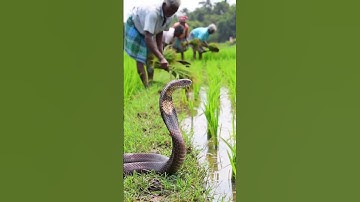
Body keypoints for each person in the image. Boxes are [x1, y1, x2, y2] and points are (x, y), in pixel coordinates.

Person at [124, 0, 181, 88]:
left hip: (148, 31)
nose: (171, 13)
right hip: (136, 25)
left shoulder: (170, 15)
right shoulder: (153, 13)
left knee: (150, 58)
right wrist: (161, 58)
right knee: (141, 58)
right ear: (165, 4)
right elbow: (148, 37)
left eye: (174, 11)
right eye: (170, 10)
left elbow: (160, 31)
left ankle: (150, 82)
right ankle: (146, 86)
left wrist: (160, 52)